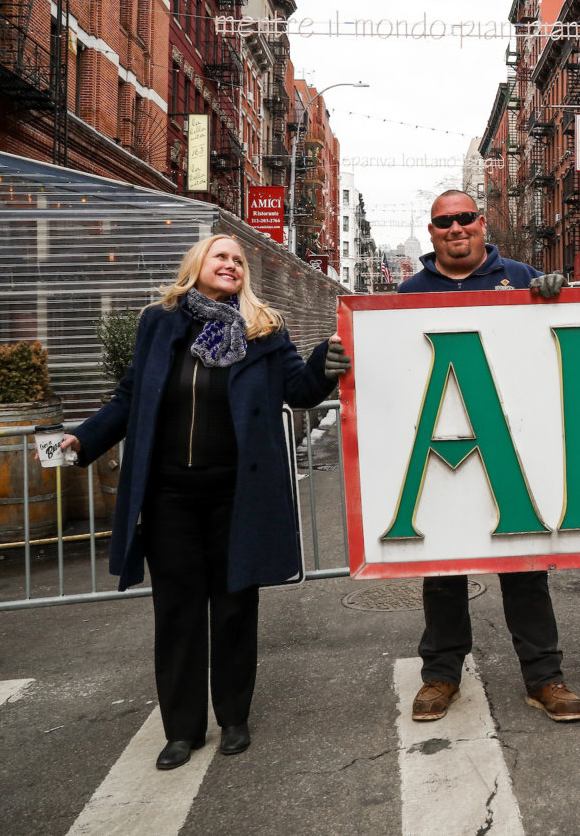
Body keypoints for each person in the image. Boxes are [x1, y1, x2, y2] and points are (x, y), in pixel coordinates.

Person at [65, 234, 351, 770]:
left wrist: (325, 359)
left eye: (239, 260)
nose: (232, 264)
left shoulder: (265, 328)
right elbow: (129, 397)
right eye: (221, 256)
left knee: (236, 607)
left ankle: (235, 717)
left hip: (237, 494)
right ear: (196, 266)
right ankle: (182, 730)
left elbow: (300, 388)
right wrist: (84, 438)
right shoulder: (160, 323)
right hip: (170, 496)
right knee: (177, 612)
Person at [397, 190, 580, 722]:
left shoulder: (522, 277)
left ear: (482, 223)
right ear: (432, 233)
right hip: (442, 446)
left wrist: (559, 297)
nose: (456, 228)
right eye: (443, 222)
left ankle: (544, 678)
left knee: (524, 566)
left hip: (513, 442)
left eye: (465, 218)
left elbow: (560, 341)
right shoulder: (411, 291)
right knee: (443, 565)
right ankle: (440, 675)